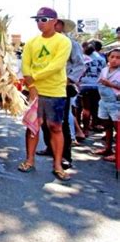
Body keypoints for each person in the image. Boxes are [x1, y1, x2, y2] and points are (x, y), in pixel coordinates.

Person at [19, 7, 72, 181]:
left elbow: (56, 65)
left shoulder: (63, 42)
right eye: (37, 20)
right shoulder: (31, 42)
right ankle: (29, 160)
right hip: (34, 90)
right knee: (33, 127)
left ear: (54, 21)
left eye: (43, 20)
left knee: (55, 127)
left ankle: (57, 164)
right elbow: (25, 65)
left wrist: (33, 77)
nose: (39, 23)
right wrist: (31, 85)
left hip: (55, 91)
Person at [37, 18, 85, 169]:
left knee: (59, 122)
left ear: (60, 26)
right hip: (43, 85)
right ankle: (50, 147)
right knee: (43, 120)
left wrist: (68, 80)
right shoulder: (42, 42)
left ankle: (65, 156)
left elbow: (79, 65)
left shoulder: (70, 44)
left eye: (55, 23)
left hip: (61, 87)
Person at [92, 48, 120, 162]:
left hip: (116, 102)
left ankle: (117, 153)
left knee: (117, 128)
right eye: (112, 57)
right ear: (108, 58)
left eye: (118, 58)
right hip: (104, 101)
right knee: (107, 126)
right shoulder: (104, 70)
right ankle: (108, 148)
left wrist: (110, 84)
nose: (114, 60)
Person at [78, 40, 106, 136]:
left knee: (86, 108)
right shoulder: (102, 59)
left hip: (84, 85)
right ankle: (94, 124)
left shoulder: (83, 58)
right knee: (95, 107)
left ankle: (85, 130)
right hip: (98, 85)